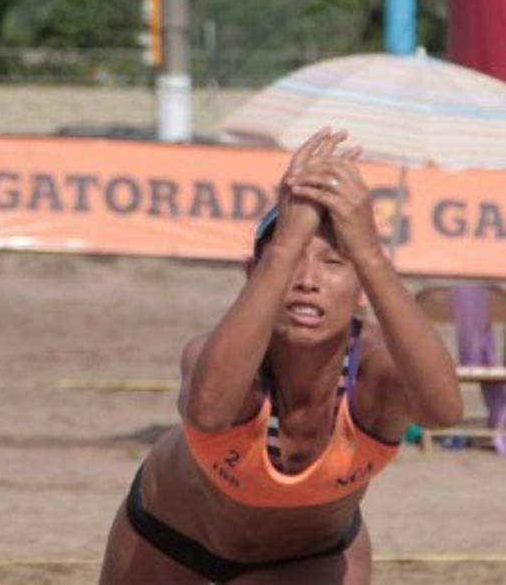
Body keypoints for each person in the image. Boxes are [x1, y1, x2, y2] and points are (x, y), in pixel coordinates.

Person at [100, 128, 463, 584]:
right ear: (256, 273)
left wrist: (368, 251)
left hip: (307, 558)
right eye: (290, 259)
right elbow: (207, 411)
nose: (307, 279)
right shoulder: (220, 361)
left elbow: (445, 410)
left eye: (333, 262)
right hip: (169, 538)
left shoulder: (375, 374)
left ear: (363, 288)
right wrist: (286, 239)